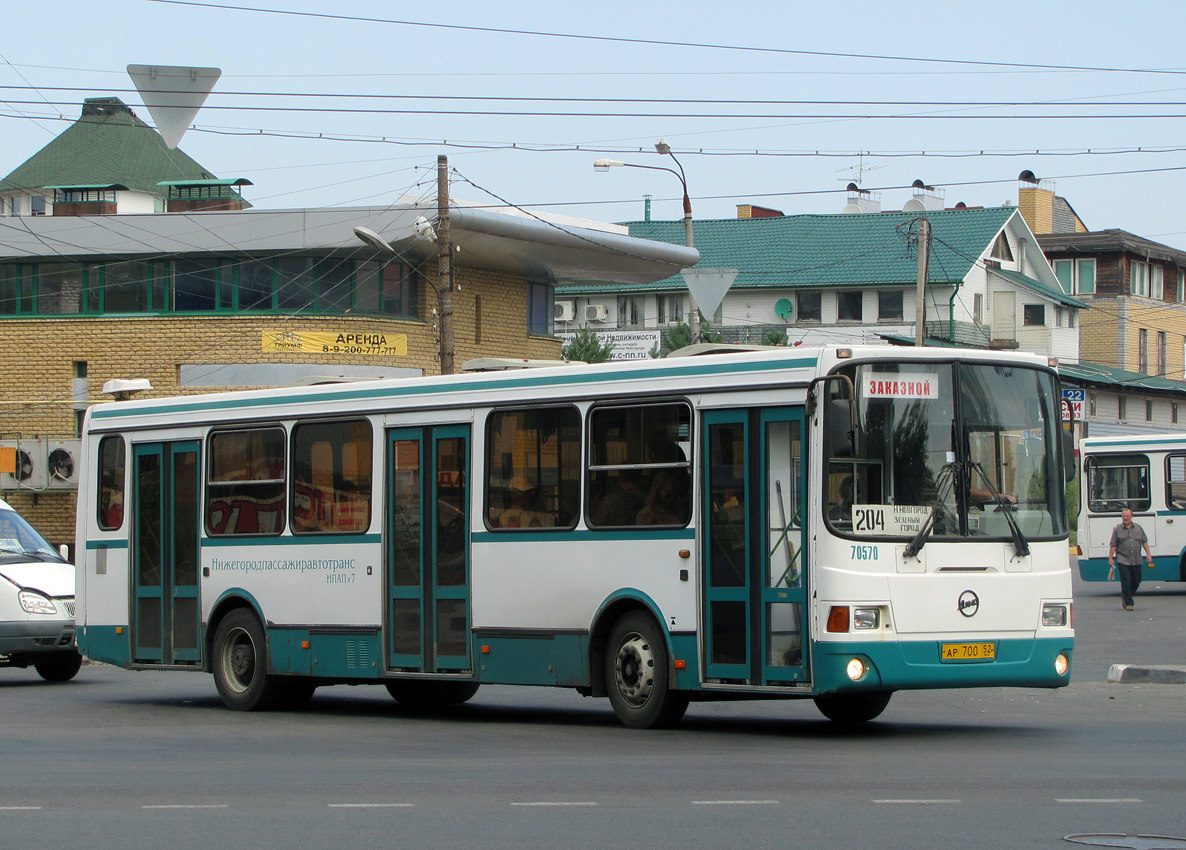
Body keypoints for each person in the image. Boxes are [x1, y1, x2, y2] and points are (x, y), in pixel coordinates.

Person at [1108, 508, 1154, 611]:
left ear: (1131, 517)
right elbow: (1113, 545)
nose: (1125, 518)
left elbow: (1144, 542)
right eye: (1123, 516)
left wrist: (1148, 554)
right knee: (1126, 581)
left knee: (1137, 580)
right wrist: (1110, 558)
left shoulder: (1138, 528)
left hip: (1136, 559)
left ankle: (1125, 595)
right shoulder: (1117, 530)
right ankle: (1129, 603)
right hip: (1123, 559)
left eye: (1127, 516)